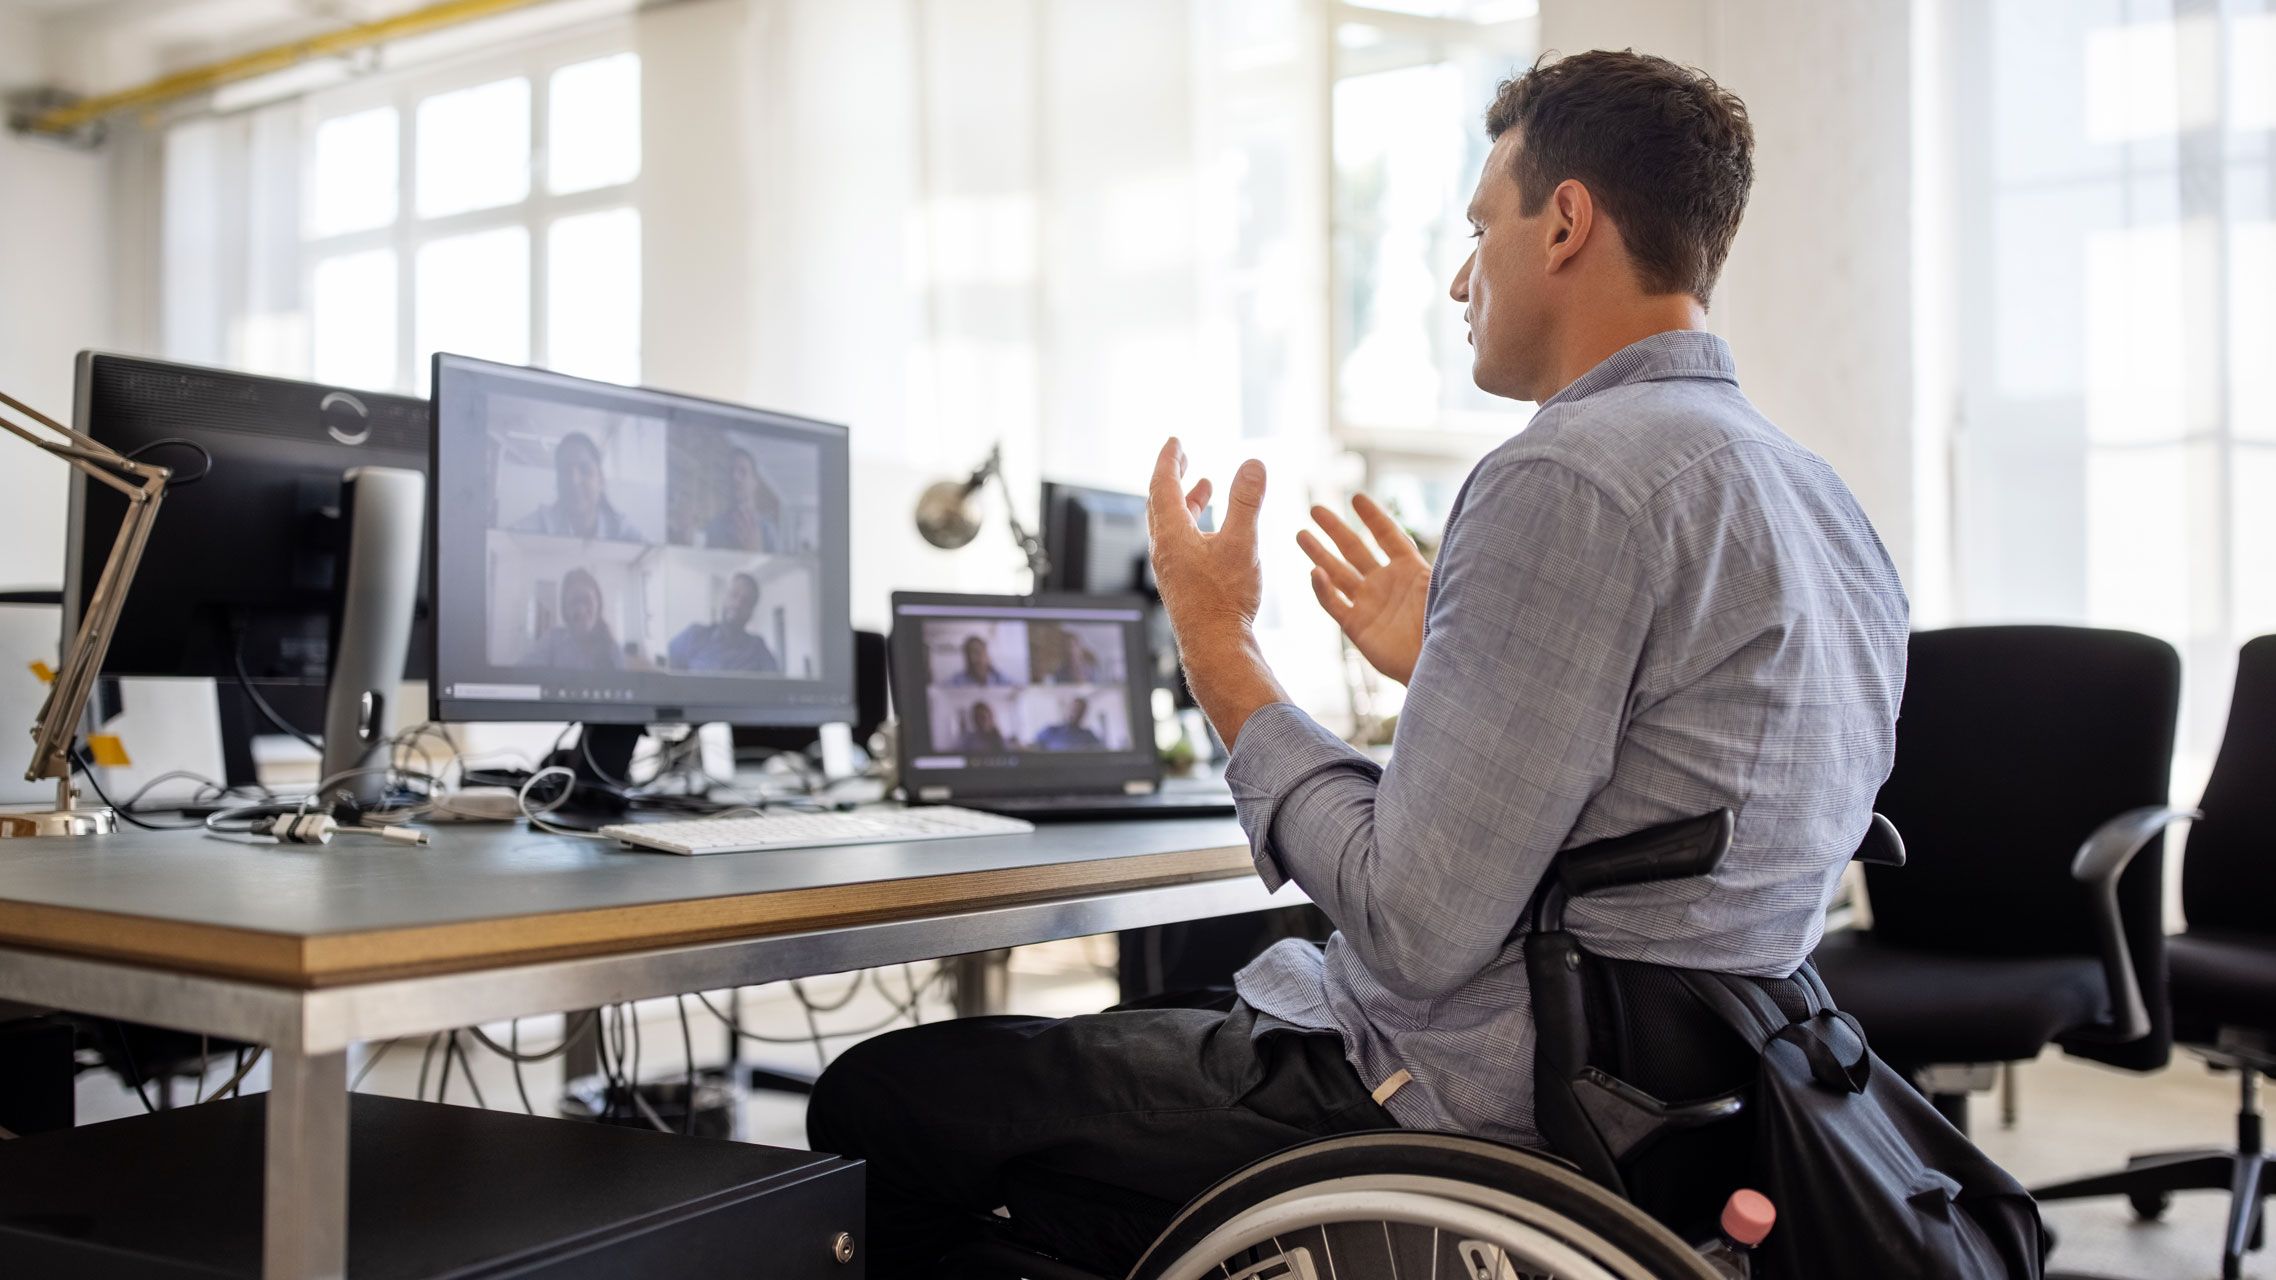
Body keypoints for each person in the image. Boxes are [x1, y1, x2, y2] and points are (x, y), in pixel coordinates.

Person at [806, 50, 1909, 1279]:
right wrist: (1444, 667)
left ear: (1564, 224)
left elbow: (1410, 923)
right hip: (1674, 1115)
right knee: (1108, 1043)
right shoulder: (1818, 499)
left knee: (878, 1102)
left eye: (1478, 226)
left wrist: (1218, 646)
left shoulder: (1567, 472)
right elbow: (1650, 813)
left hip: (1444, 1103)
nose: (1457, 275)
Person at [510, 431, 644, 541]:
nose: (574, 481)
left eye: (585, 469)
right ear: (557, 482)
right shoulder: (540, 523)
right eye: (565, 471)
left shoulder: (621, 529)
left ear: (601, 479)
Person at [666, 572, 780, 673]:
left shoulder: (757, 648)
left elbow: (777, 689)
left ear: (751, 612)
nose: (737, 604)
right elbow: (668, 678)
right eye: (733, 595)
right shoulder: (694, 635)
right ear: (724, 598)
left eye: (746, 601)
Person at [519, 568, 621, 671]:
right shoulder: (552, 640)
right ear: (565, 609)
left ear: (598, 604)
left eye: (587, 600)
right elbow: (520, 674)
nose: (581, 610)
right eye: (574, 601)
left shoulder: (613, 650)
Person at [702, 447, 782, 552]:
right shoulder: (713, 528)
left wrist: (756, 552)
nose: (735, 477)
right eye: (731, 471)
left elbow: (775, 568)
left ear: (755, 482)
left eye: (743, 472)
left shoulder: (768, 531)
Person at [1031, 696, 1105, 751]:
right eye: (1074, 709)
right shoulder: (1050, 731)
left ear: (1083, 714)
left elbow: (1101, 752)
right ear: (1067, 709)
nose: (1075, 714)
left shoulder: (1088, 736)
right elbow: (1032, 747)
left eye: (1080, 711)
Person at [944, 634, 1013, 688]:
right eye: (968, 655)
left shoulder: (1001, 679)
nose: (973, 659)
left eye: (977, 652)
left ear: (987, 655)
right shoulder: (957, 681)